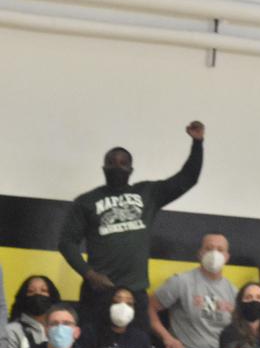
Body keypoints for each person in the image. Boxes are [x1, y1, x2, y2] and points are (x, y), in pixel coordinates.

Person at [58, 122, 205, 333]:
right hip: (99, 291)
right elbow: (66, 243)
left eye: (123, 163)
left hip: (135, 293)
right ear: (103, 168)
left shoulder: (148, 193)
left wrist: (197, 143)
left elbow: (188, 178)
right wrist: (89, 274)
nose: (118, 166)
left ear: (131, 169)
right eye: (112, 162)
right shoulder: (86, 201)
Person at [149, 232, 236, 348]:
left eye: (220, 249)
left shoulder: (233, 291)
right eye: (209, 248)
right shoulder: (182, 282)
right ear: (200, 253)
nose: (214, 253)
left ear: (227, 256)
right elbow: (149, 308)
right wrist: (167, 338)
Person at [1, 274, 61, 348]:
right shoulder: (11, 331)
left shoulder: (61, 330)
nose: (37, 295)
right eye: (31, 291)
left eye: (43, 291)